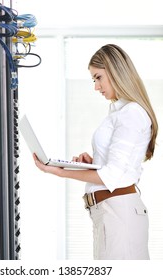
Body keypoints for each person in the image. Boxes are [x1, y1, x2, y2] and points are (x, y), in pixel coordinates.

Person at [33, 44, 158, 260]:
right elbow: (115, 168)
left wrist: (60, 171)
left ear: (116, 70)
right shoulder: (120, 111)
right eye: (94, 80)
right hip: (110, 213)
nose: (96, 87)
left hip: (118, 214)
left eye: (98, 77)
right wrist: (93, 162)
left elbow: (111, 175)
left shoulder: (131, 114)